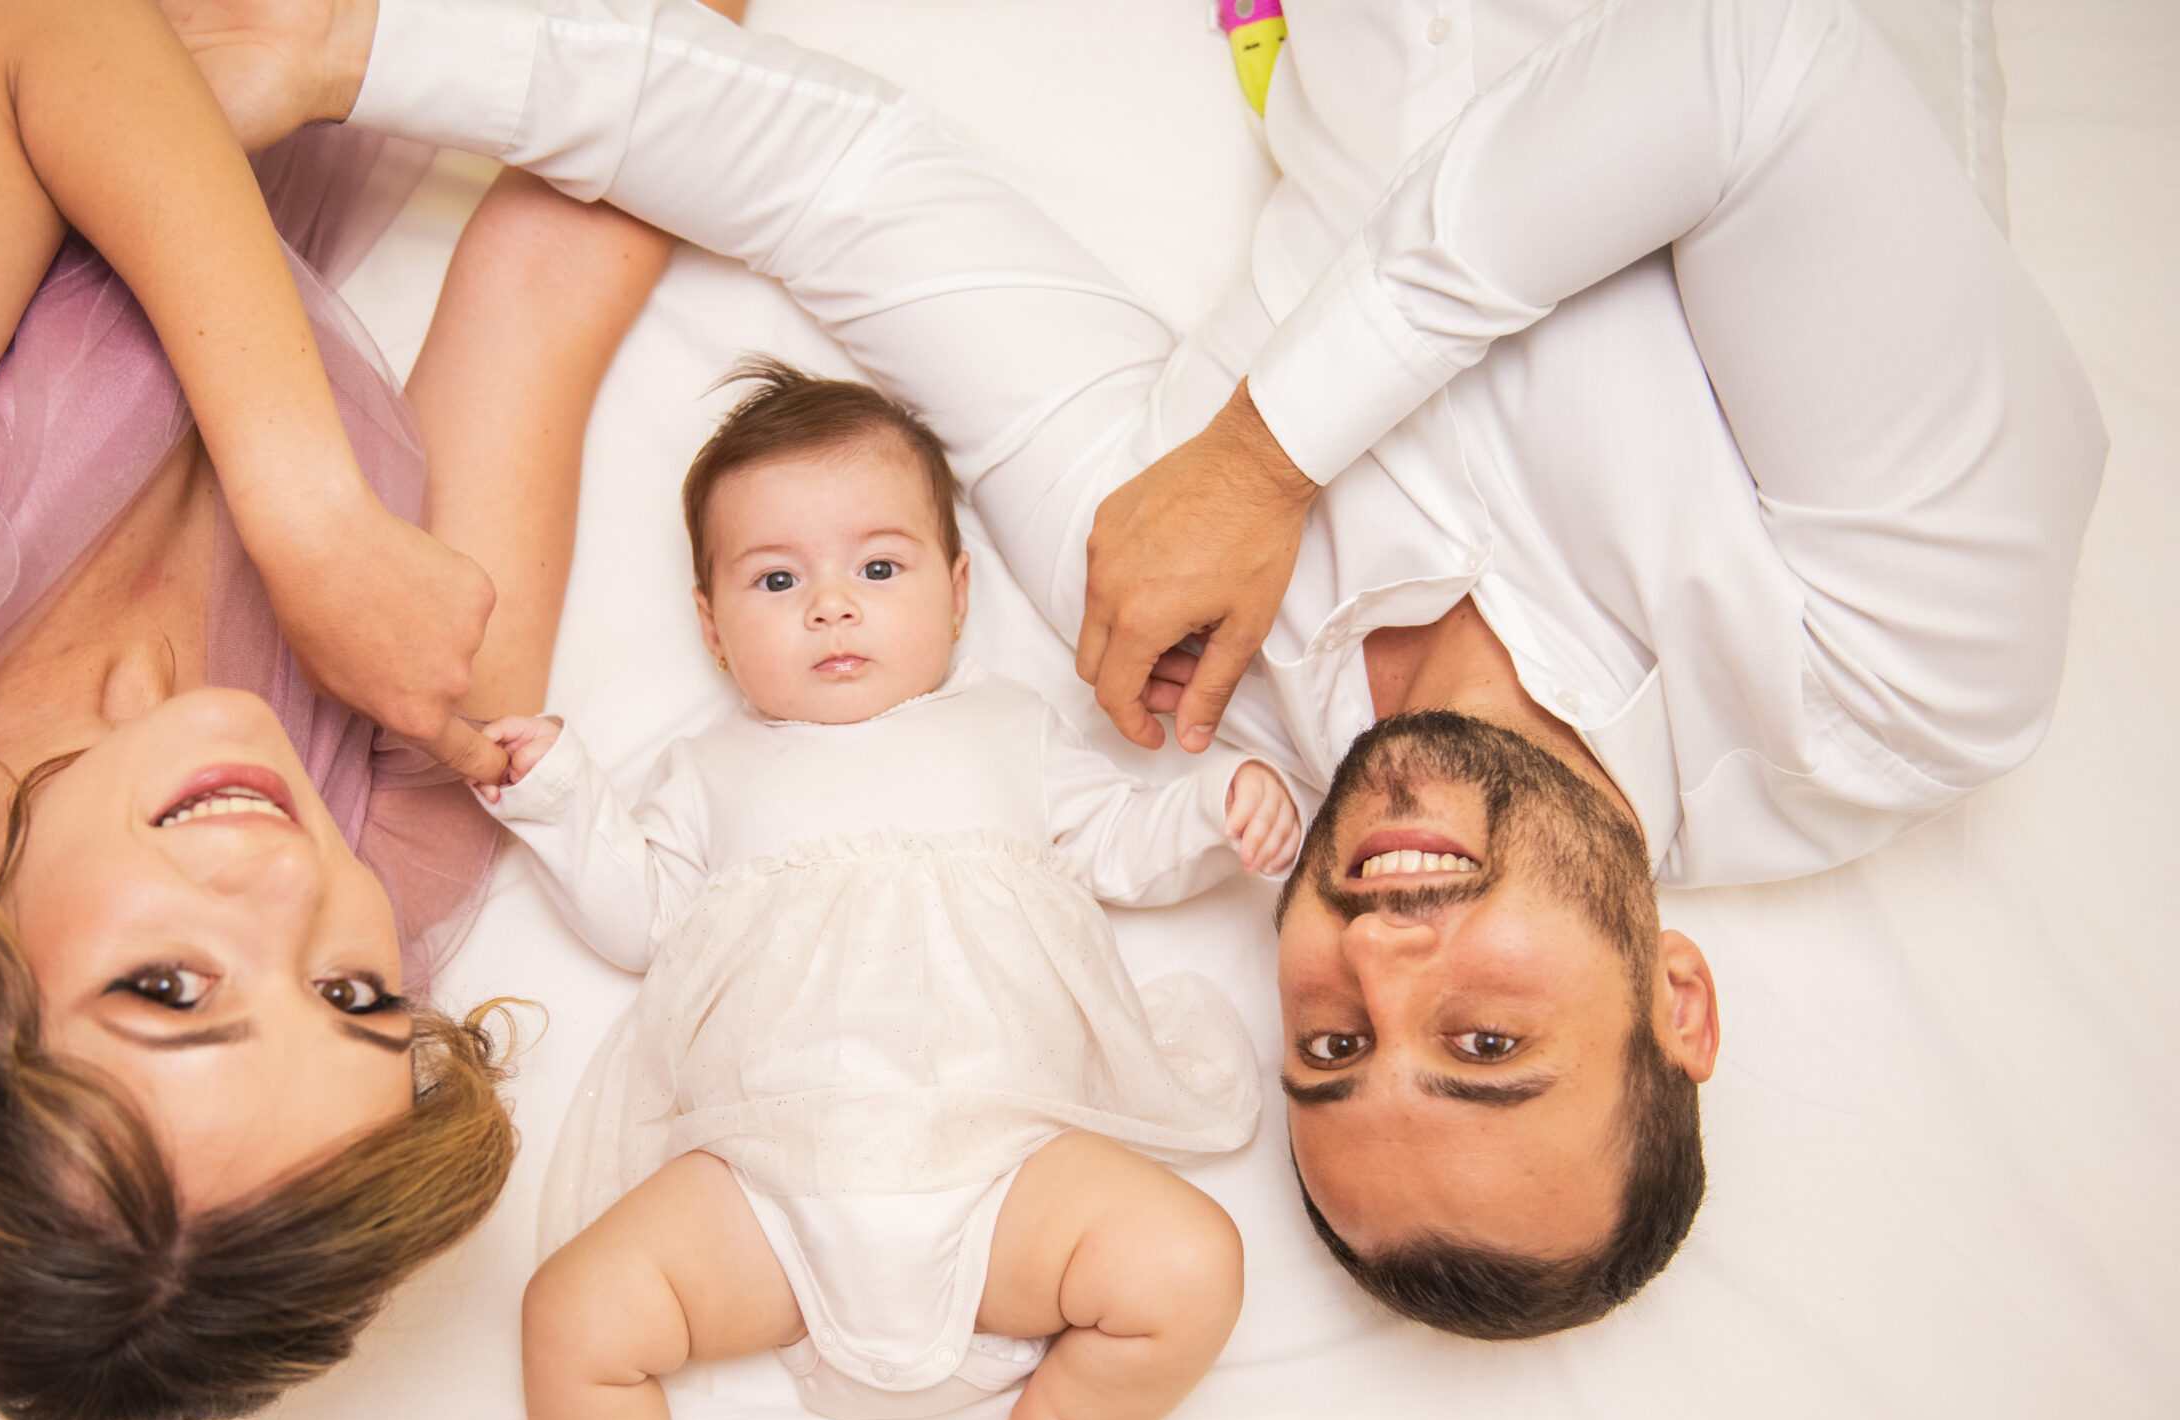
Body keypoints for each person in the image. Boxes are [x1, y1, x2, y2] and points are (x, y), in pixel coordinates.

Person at [326, 0, 2105, 1336]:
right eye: (1483, 1038)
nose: (1381, 959)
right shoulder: (1895, 690)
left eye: (1331, 1041)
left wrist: (348, 45)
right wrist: (1261, 455)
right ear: (1679, 999)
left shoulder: (1183, 655)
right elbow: (1756, 68)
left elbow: (842, 189)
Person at [0, 0, 722, 1420]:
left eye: (168, 988)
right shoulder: (403, 820)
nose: (282, 884)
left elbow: (31, 31)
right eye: (353, 998)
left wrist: (313, 522)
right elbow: (550, 266)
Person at [471, 360, 1298, 1420]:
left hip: (1006, 1160)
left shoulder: (1009, 732)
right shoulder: (706, 773)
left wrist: (1213, 813)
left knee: (1191, 1262)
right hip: (770, 1183)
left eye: (879, 566)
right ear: (711, 627)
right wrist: (563, 795)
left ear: (959, 594)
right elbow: (642, 919)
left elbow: (1119, 844)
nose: (833, 605)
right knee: (571, 1313)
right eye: (776, 580)